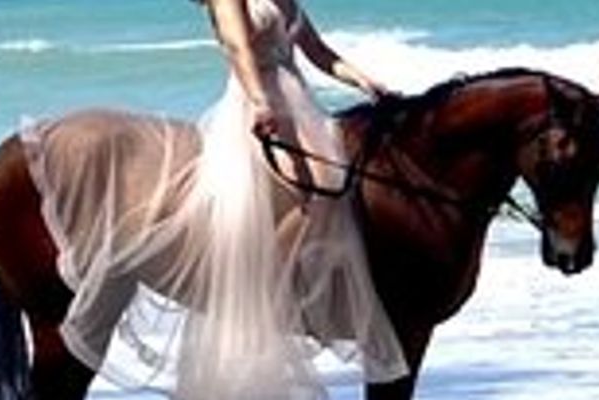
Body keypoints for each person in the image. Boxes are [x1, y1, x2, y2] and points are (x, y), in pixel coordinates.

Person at [50, 0, 404, 397]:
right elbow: (239, 48)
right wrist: (260, 100)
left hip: (303, 111)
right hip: (257, 109)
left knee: (337, 191)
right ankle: (275, 291)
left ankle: (324, 299)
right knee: (277, 196)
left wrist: (364, 81)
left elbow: (319, 52)